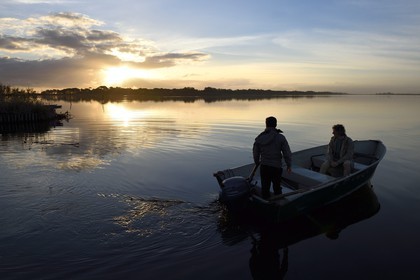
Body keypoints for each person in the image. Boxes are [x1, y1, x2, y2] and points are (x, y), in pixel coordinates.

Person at [253, 116, 292, 199]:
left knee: (265, 188)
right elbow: (287, 153)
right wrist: (289, 165)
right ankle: (279, 203)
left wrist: (257, 162)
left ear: (266, 124)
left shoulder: (260, 138)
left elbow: (255, 153)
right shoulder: (281, 137)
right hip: (276, 167)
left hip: (264, 167)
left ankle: (266, 204)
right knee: (277, 187)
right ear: (276, 124)